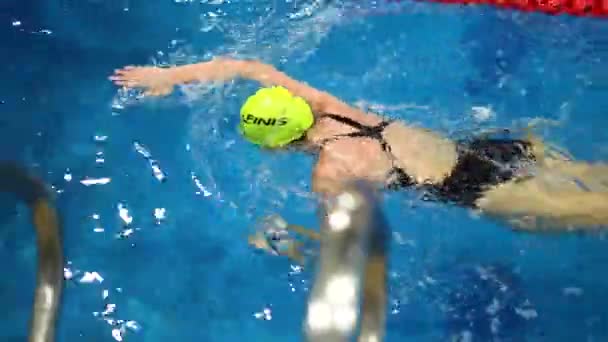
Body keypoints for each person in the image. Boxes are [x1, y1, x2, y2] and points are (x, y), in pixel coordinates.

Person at [110, 57, 608, 232]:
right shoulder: (328, 103)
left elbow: (339, 242)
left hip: (472, 189)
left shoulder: (330, 172)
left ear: (279, 146)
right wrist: (170, 75)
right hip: (486, 148)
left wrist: (279, 236)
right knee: (593, 174)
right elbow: (248, 67)